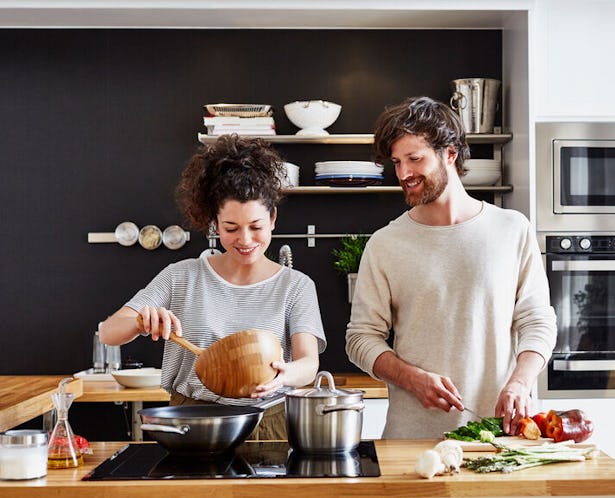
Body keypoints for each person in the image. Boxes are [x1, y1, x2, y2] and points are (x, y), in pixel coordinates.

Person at [345, 96, 557, 439]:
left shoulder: (511, 229)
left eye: (414, 159)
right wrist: (411, 378)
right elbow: (360, 338)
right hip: (413, 441)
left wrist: (521, 382)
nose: (403, 174)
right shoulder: (385, 243)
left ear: (450, 154)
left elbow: (537, 320)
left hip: (501, 437)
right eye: (397, 162)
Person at [100, 134, 326, 440]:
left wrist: (288, 375)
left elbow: (308, 363)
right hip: (190, 421)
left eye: (256, 227)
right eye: (231, 228)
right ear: (214, 224)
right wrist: (141, 321)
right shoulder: (182, 276)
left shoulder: (295, 286)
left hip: (269, 423)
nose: (245, 240)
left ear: (272, 218)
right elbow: (109, 332)